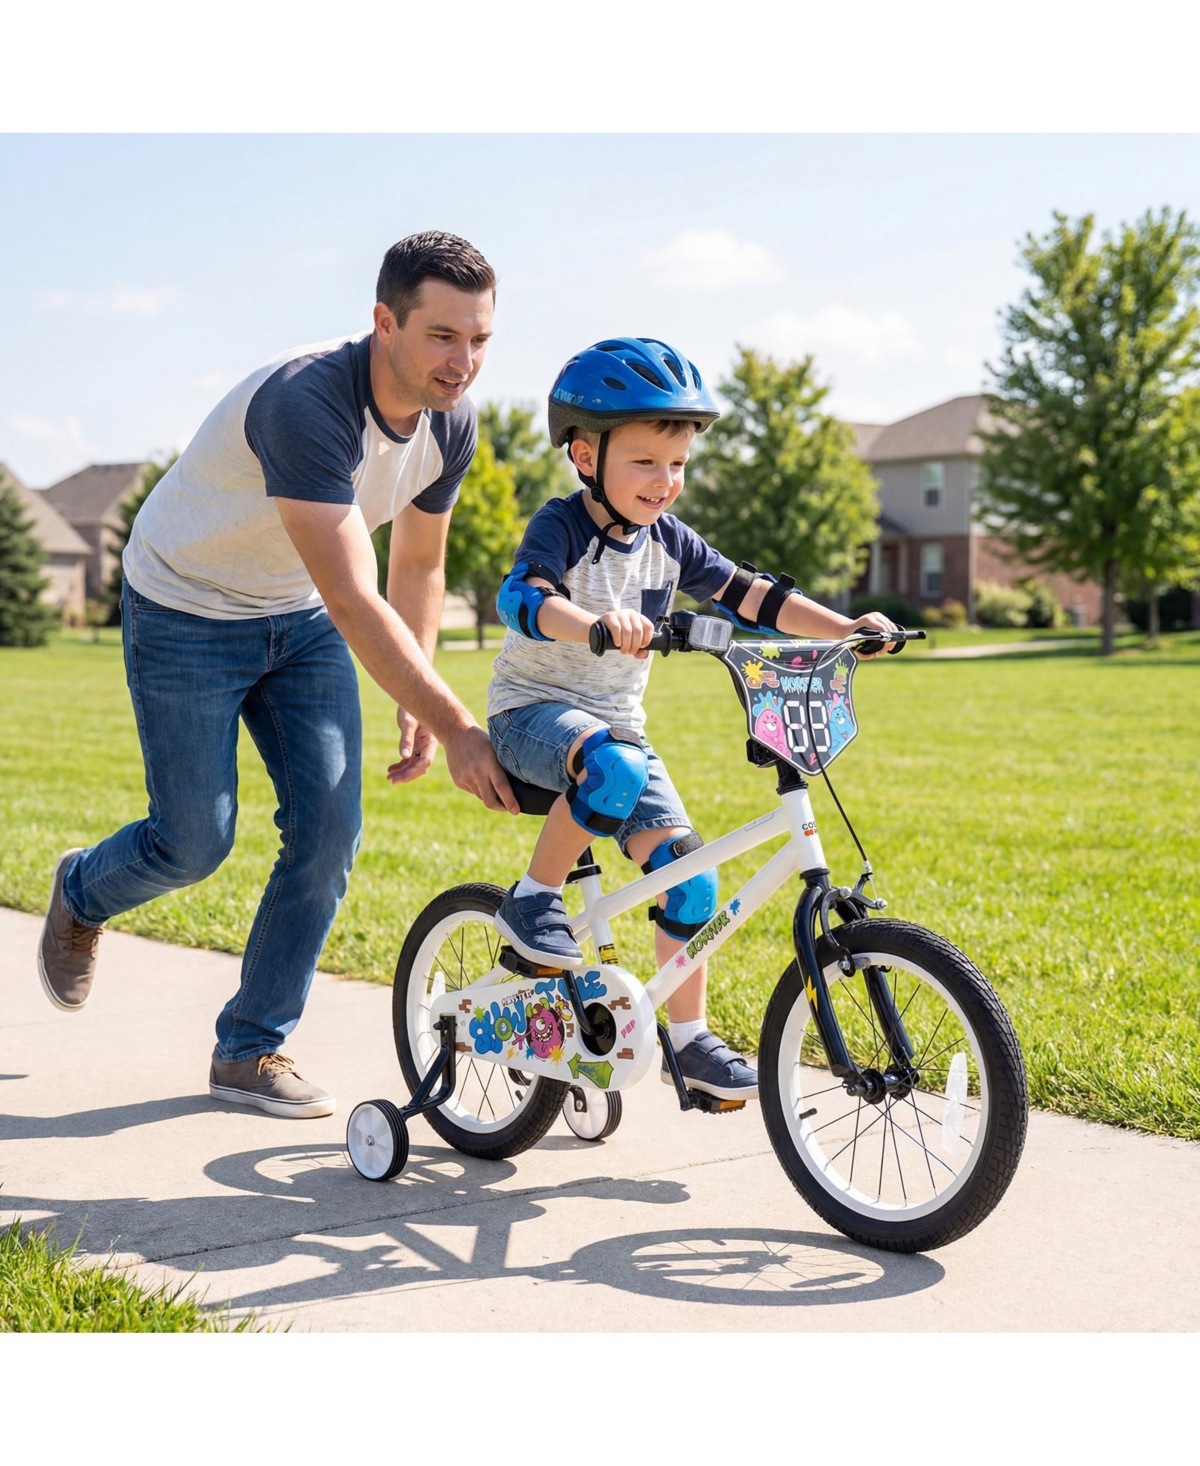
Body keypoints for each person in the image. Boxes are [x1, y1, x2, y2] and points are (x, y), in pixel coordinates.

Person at [37, 231, 519, 1118]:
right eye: (443, 336)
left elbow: (417, 567)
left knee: (330, 831)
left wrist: (414, 692)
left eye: (481, 338)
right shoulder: (307, 402)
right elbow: (350, 592)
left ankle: (249, 1048)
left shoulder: (452, 422)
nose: (465, 362)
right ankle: (82, 891)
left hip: (295, 621)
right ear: (385, 322)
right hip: (186, 607)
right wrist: (456, 725)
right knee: (194, 840)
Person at [486, 336, 897, 1101]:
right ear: (584, 454)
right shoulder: (562, 525)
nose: (665, 481)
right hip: (531, 714)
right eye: (645, 461)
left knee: (692, 882)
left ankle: (689, 1042)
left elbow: (755, 599)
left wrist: (845, 628)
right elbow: (522, 598)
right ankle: (532, 900)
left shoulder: (671, 543)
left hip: (618, 733)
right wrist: (594, 625)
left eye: (676, 465)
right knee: (612, 763)